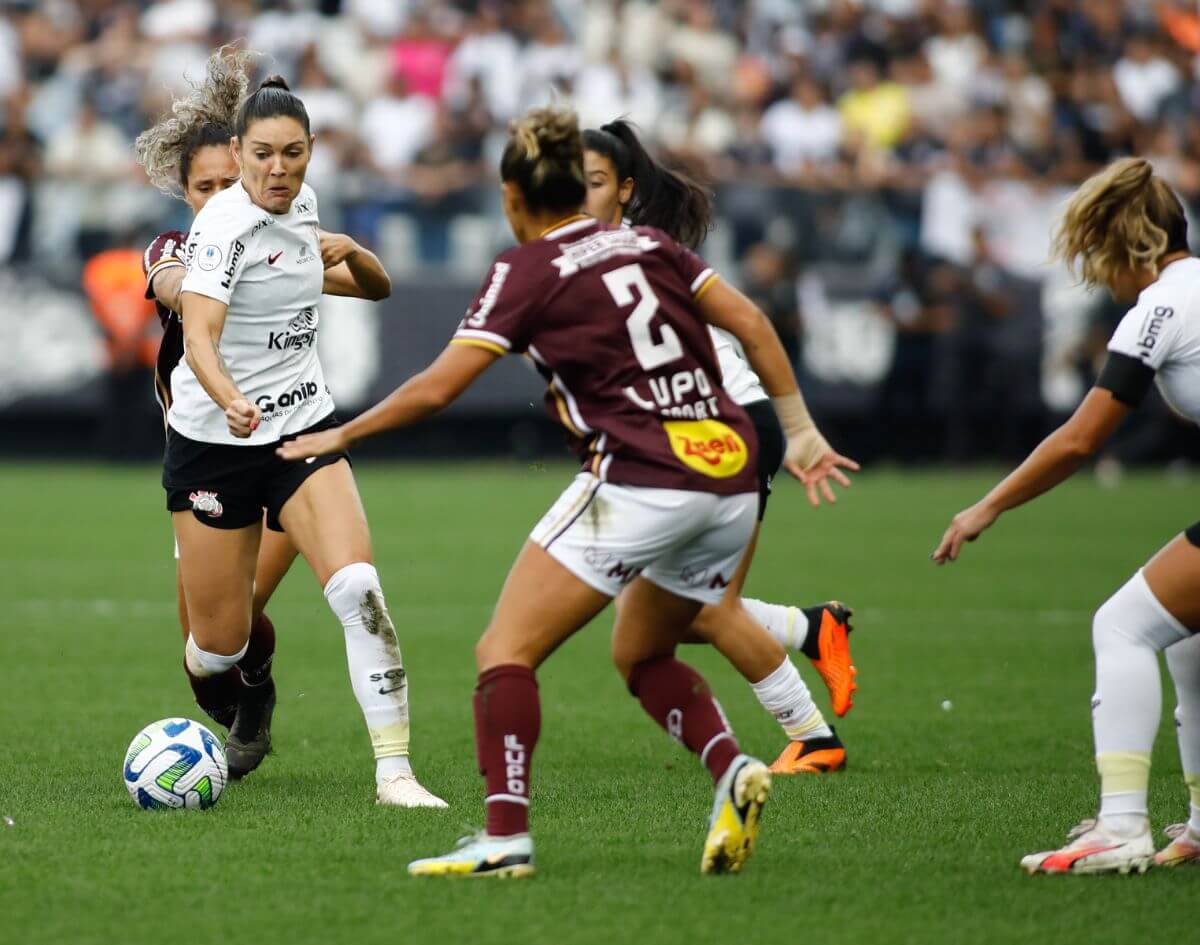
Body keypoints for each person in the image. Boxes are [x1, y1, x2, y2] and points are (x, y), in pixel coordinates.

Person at [279, 106, 856, 877]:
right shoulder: (651, 243)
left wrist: (342, 434)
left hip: (643, 474)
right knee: (643, 650)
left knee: (504, 650)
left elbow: (438, 389)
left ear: (513, 198)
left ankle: (505, 837)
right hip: (731, 472)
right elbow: (751, 321)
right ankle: (732, 769)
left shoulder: (526, 270)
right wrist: (803, 428)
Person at [161, 69, 444, 808]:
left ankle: (396, 773)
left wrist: (353, 249)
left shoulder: (306, 206)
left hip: (303, 427)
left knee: (358, 586)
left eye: (292, 153)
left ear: (312, 150)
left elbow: (372, 287)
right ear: (238, 149)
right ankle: (249, 686)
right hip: (216, 444)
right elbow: (198, 338)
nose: (276, 169)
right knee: (217, 643)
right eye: (261, 154)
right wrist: (229, 401)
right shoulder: (218, 227)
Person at [933, 157, 1200, 873]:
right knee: (1182, 636)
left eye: (1100, 257)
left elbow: (1081, 437)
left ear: (1130, 247)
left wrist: (987, 504)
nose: (1102, 278)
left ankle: (1119, 827)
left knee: (1122, 624)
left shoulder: (1162, 306)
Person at [581, 120, 858, 774]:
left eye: (590, 182)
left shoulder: (616, 255)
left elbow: (750, 328)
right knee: (653, 617)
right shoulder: (603, 250)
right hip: (704, 432)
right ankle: (809, 628)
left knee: (701, 610)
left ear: (622, 190)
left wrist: (797, 429)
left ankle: (814, 737)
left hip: (722, 428)